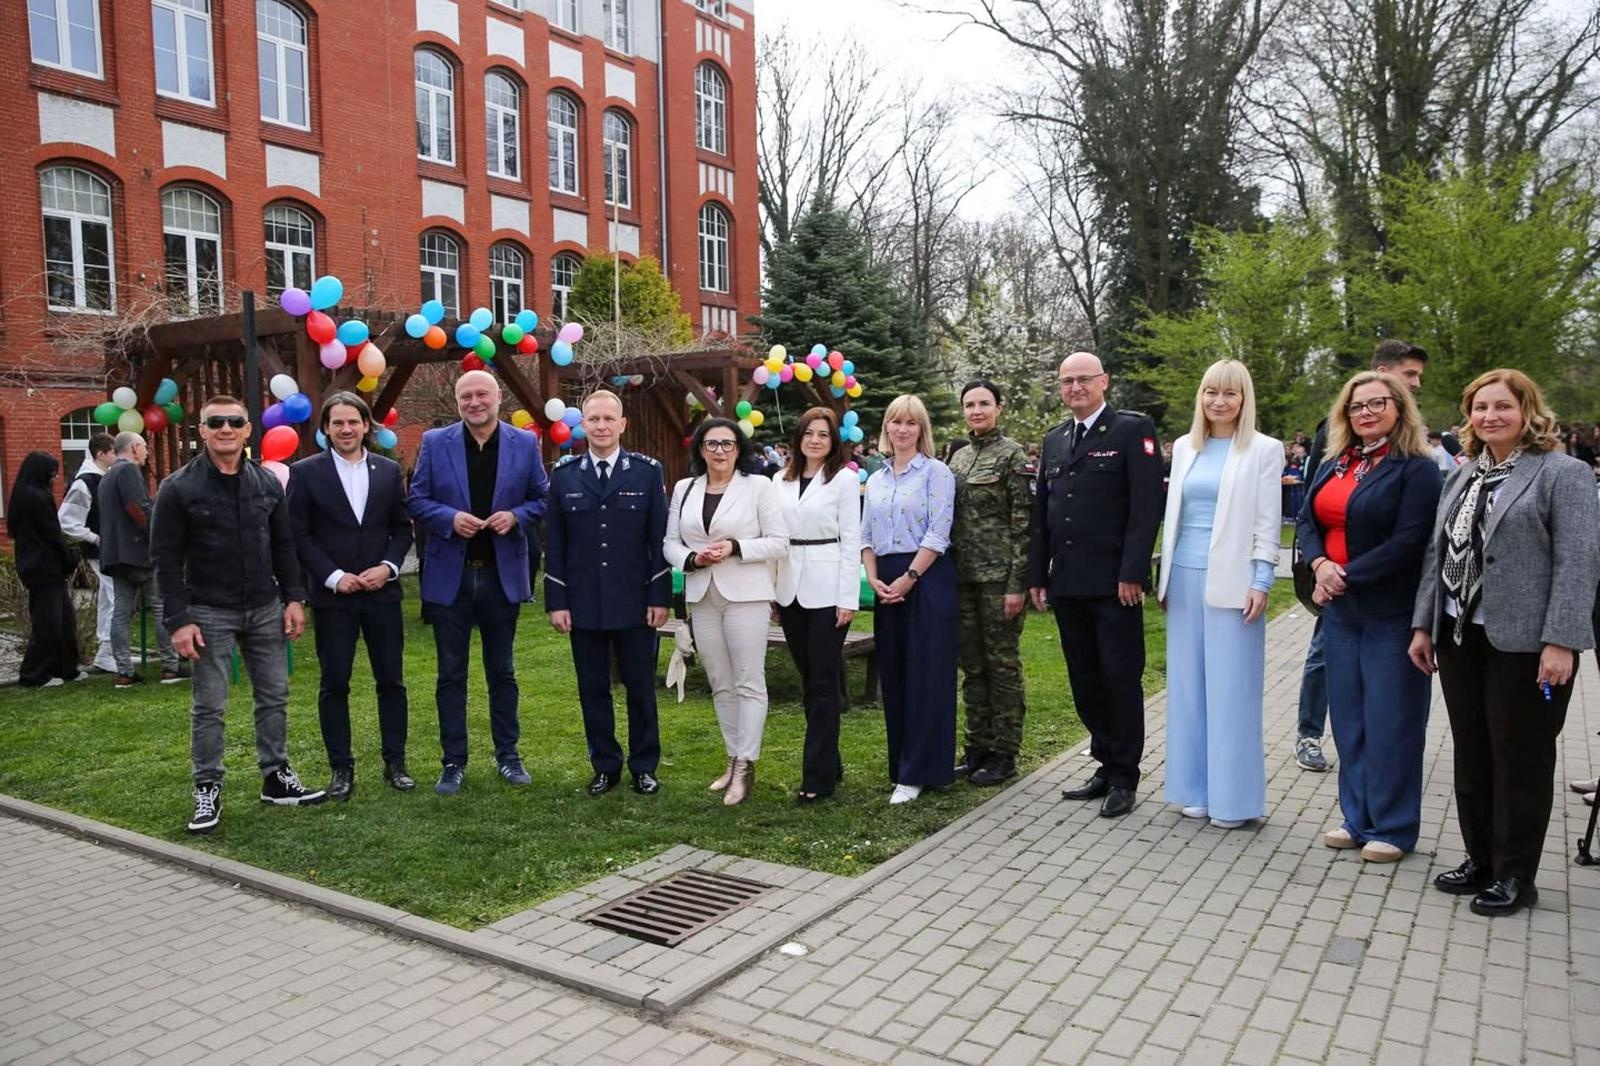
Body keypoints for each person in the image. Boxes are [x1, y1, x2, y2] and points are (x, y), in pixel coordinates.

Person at [1411, 369, 1600, 916]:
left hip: (1527, 644)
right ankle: (1481, 861)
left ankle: (1516, 874)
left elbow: (1580, 561)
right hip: (1460, 633)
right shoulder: (1464, 475)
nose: (1490, 416)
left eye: (1503, 407)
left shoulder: (1563, 473)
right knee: (1472, 752)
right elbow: (1436, 554)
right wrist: (1424, 625)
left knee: (1520, 758)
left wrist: (1561, 640)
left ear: (1528, 411)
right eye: (1480, 407)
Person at [151, 396, 325, 834]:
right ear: (203, 431)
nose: (226, 429)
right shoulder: (178, 488)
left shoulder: (267, 484)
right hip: (207, 611)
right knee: (209, 706)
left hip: (266, 607)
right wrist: (179, 620)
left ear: (249, 430)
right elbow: (165, 561)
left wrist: (294, 598)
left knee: (275, 697)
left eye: (235, 422)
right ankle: (207, 788)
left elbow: (284, 546)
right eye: (216, 422)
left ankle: (276, 777)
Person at [1298, 371, 1443, 863]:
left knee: (1392, 721)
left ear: (1399, 408)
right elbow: (1306, 520)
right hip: (1341, 614)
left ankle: (1394, 827)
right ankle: (1356, 817)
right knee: (1351, 720)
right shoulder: (1337, 462)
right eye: (1357, 405)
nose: (1365, 412)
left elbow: (1408, 541)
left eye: (1376, 403)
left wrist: (1345, 575)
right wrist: (1319, 564)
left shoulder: (1416, 469)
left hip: (1389, 613)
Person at [1028, 352, 1163, 818]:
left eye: (1084, 379)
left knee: (1120, 679)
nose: (1075, 388)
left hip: (1113, 584)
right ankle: (1104, 762)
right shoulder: (1055, 440)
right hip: (1067, 581)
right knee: (1085, 680)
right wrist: (1036, 575)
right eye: (1067, 381)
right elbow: (1042, 516)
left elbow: (1146, 509)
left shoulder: (1131, 429)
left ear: (1104, 381)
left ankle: (1126, 775)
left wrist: (1132, 572)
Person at [409, 370, 549, 795]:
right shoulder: (436, 442)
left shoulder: (524, 443)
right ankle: (453, 762)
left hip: (500, 575)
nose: (474, 402)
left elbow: (542, 498)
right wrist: (449, 519)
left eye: (481, 394)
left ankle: (508, 756)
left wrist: (517, 517)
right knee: (450, 675)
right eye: (466, 395)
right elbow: (416, 498)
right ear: (457, 402)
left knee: (502, 671)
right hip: (451, 576)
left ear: (498, 397)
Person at [1156, 360, 1282, 829]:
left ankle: (1234, 800)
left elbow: (1269, 521)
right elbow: (1176, 519)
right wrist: (1165, 578)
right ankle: (1195, 788)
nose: (1219, 402)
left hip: (1234, 582)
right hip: (1185, 579)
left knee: (1231, 692)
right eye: (1211, 392)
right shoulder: (1187, 449)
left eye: (1229, 394)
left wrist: (1262, 580)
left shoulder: (1264, 451)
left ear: (1244, 399)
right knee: (1188, 689)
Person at [288, 392, 415, 800]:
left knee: (391, 681)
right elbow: (298, 535)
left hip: (382, 594)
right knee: (335, 683)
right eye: (337, 423)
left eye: (353, 422)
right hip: (334, 598)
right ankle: (341, 769)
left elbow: (402, 528)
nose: (346, 429)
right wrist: (333, 576)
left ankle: (395, 763)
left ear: (366, 426)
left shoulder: (387, 470)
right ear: (326, 428)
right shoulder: (305, 473)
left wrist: (389, 567)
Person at [545, 390, 670, 798]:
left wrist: (659, 596)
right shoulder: (564, 475)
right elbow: (555, 544)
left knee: (640, 687)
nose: (600, 426)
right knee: (592, 688)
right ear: (582, 425)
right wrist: (557, 601)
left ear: (622, 425)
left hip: (635, 600)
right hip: (583, 603)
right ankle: (604, 765)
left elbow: (659, 539)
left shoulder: (647, 472)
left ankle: (644, 766)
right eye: (592, 419)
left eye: (607, 419)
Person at [663, 417, 789, 806]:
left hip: (746, 594)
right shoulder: (685, 488)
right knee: (721, 682)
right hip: (703, 592)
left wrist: (736, 547)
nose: (720, 451)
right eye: (712, 444)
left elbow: (779, 542)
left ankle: (746, 767)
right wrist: (691, 558)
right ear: (700, 449)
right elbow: (669, 541)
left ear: (739, 449)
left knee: (749, 681)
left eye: (728, 444)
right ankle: (733, 757)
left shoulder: (759, 486)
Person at [862, 395, 958, 805]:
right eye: (895, 422)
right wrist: (875, 580)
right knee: (896, 674)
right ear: (886, 428)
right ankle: (901, 764)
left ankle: (922, 770)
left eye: (910, 423)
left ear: (922, 429)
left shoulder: (937, 473)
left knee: (927, 676)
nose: (902, 429)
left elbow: (939, 532)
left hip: (926, 577)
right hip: (886, 580)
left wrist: (909, 578)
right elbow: (865, 536)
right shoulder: (877, 478)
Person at [772, 407, 861, 803]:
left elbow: (851, 541)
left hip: (828, 591)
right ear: (799, 437)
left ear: (833, 441)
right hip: (789, 588)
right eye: (810, 433)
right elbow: (774, 536)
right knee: (809, 680)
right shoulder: (780, 480)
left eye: (824, 435)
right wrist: (774, 591)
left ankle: (817, 777)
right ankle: (832, 761)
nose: (815, 440)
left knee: (824, 683)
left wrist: (847, 599)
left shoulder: (843, 480)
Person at [948, 381, 1031, 787]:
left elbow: (1023, 524)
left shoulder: (1012, 455)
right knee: (972, 667)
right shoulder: (958, 458)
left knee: (1002, 667)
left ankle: (1005, 753)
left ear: (999, 407)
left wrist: (1018, 583)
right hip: (962, 578)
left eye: (984, 404)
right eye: (969, 404)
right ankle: (976, 746)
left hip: (999, 581)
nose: (976, 411)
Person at [98, 432, 181, 686]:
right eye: (144, 447)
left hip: (115, 555)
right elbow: (138, 510)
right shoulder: (127, 472)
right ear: (135, 447)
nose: (146, 452)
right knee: (160, 606)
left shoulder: (107, 476)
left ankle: (124, 671)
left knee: (120, 613)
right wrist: (158, 536)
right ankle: (170, 666)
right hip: (138, 553)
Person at [9, 451, 83, 687]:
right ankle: (35, 673)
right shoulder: (39, 497)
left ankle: (65, 668)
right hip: (45, 568)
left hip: (35, 566)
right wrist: (70, 556)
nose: (55, 478)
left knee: (62, 619)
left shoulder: (21, 494)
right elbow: (53, 534)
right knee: (49, 622)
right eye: (52, 473)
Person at [58, 433, 117, 673]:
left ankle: (108, 650)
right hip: (99, 550)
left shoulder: (99, 478)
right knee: (113, 599)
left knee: (109, 599)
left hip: (106, 549)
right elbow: (66, 520)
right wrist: (95, 538)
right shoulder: (85, 482)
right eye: (113, 451)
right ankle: (107, 651)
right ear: (101, 454)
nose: (115, 456)